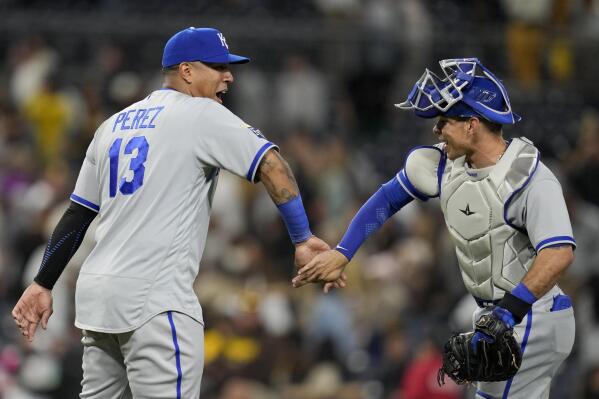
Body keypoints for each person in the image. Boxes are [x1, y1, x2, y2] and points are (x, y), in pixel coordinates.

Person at [12, 27, 343, 399]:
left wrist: (43, 282)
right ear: (186, 71)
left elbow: (78, 213)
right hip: (155, 301)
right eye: (218, 67)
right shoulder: (201, 113)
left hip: (98, 300)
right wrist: (301, 238)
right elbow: (273, 165)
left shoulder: (112, 126)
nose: (228, 76)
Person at [293, 58, 576, 399]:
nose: (436, 129)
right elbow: (386, 199)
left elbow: (559, 253)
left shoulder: (530, 177)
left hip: (533, 314)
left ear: (472, 124)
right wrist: (343, 252)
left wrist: (507, 314)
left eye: (444, 121)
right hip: (500, 315)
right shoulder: (444, 165)